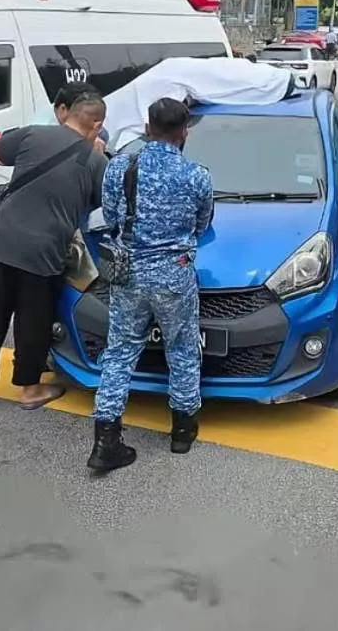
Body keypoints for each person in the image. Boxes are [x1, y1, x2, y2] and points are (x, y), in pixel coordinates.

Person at [88, 98, 214, 472]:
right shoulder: (197, 175)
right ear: (184, 132)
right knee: (182, 348)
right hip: (174, 274)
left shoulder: (120, 168)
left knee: (121, 352)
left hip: (128, 274)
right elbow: (202, 224)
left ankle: (106, 439)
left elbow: (110, 217)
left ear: (147, 127)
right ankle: (181, 431)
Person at [0, 92, 108, 410]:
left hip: (4, 239)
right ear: (96, 125)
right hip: (45, 251)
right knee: (33, 318)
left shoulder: (32, 133)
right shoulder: (95, 159)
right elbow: (97, 203)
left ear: (66, 113)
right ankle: (29, 388)